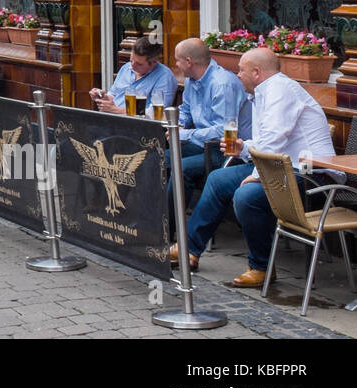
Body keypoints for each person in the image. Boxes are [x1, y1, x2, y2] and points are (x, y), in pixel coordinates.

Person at [175, 47, 342, 287]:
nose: (237, 75)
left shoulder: (280, 90)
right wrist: (242, 147)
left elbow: (274, 141)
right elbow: (267, 142)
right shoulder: (262, 93)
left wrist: (256, 175)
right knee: (218, 179)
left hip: (312, 174)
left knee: (247, 195)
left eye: (241, 70)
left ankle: (261, 267)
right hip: (280, 167)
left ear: (256, 72)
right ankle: (189, 250)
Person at [169, 37, 251, 219]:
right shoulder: (191, 79)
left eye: (177, 60)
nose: (176, 65)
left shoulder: (222, 84)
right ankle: (154, 219)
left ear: (189, 62)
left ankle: (169, 229)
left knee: (182, 167)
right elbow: (186, 110)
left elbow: (223, 132)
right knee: (158, 156)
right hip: (201, 142)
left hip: (228, 148)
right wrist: (179, 124)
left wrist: (185, 134)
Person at [90, 36, 177, 114]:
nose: (132, 66)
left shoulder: (165, 77)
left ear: (154, 62)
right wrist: (102, 97)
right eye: (131, 60)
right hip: (111, 120)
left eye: (139, 64)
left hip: (137, 126)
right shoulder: (126, 68)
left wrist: (115, 110)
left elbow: (156, 113)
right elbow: (113, 94)